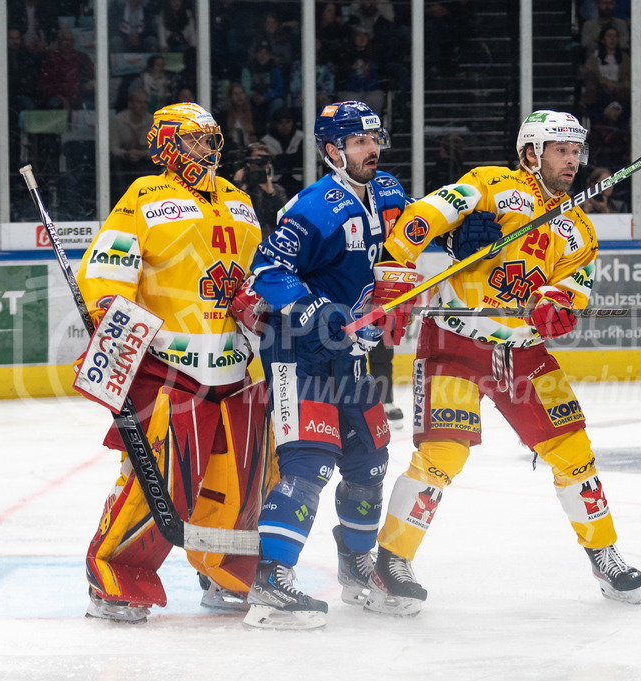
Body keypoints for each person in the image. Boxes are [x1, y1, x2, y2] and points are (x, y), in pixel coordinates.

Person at [364, 110, 641, 617]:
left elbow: (575, 282)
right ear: (531, 152)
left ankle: (604, 554)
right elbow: (424, 215)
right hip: (455, 340)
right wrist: (396, 272)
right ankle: (392, 562)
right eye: (561, 150)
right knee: (443, 455)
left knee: (574, 450)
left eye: (576, 151)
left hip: (523, 350)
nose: (572, 161)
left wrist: (559, 303)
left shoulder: (579, 227)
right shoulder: (491, 185)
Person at [78, 102, 265, 623]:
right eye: (193, 139)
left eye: (210, 138)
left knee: (239, 479)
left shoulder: (239, 200)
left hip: (234, 365)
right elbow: (110, 260)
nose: (206, 149)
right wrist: (106, 305)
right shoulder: (146, 194)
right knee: (157, 479)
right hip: (167, 365)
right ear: (166, 144)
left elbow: (253, 270)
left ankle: (223, 569)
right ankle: (116, 574)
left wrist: (261, 300)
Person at [241, 101, 409, 630]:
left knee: (370, 460)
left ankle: (356, 565)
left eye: (374, 139)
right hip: (299, 350)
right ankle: (272, 578)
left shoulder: (388, 192)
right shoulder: (314, 208)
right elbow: (268, 271)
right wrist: (319, 313)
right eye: (359, 142)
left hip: (351, 354)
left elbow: (414, 241)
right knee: (309, 464)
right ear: (333, 150)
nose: (372, 149)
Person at [231, 141, 287, 238]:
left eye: (263, 161)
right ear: (248, 163)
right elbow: (232, 212)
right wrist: (238, 186)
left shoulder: (277, 190)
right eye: (256, 161)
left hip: (268, 236)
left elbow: (286, 216)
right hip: (244, 235)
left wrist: (272, 194)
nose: (260, 165)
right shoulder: (238, 187)